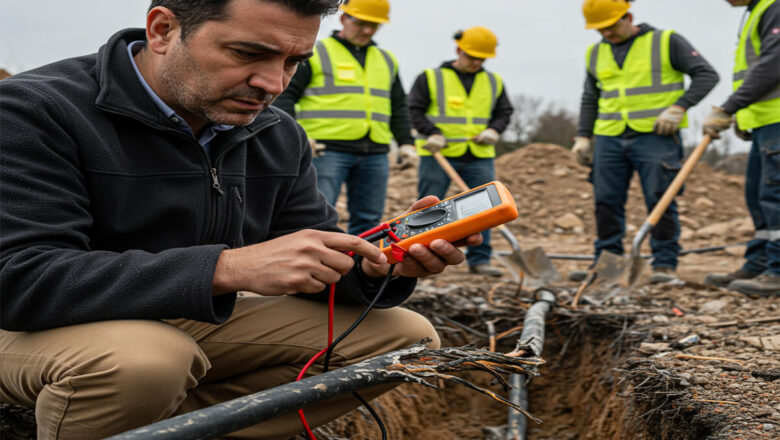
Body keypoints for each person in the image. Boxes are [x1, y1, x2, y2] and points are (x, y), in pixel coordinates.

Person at [0, 1, 483, 438]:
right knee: (146, 361)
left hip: (178, 320)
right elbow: (18, 278)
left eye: (293, 62)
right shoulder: (34, 110)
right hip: (31, 327)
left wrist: (379, 268)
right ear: (164, 30)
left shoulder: (274, 132)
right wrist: (227, 269)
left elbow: (314, 261)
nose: (272, 84)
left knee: (404, 337)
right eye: (248, 53)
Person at [570, 0, 719, 284]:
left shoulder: (665, 41)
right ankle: (608, 264)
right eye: (600, 29)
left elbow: (707, 75)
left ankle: (664, 264)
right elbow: (591, 97)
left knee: (660, 198)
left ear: (628, 16)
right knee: (606, 202)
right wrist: (583, 136)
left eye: (611, 27)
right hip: (609, 136)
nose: (607, 34)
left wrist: (680, 107)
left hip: (655, 137)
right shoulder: (595, 52)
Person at [273, 0, 416, 236]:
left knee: (369, 219)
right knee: (316, 216)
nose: (367, 30)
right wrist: (296, 137)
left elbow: (398, 105)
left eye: (374, 25)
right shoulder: (316, 52)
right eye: (362, 23)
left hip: (375, 152)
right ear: (343, 19)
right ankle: (317, 266)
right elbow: (285, 97)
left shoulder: (386, 60)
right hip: (326, 150)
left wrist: (406, 142)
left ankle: (360, 269)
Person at [407, 26, 514, 278]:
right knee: (430, 207)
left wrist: (494, 131)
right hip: (438, 154)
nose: (477, 62)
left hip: (479, 155)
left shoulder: (493, 81)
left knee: (488, 208)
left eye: (481, 58)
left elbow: (504, 112)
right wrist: (430, 132)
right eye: (472, 56)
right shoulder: (430, 78)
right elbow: (414, 109)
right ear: (458, 50)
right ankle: (418, 256)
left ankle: (480, 259)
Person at [702, 0, 780, 296]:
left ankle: (778, 269)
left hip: (777, 120)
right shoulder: (755, 12)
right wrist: (743, 115)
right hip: (764, 122)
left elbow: (774, 64)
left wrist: (728, 107)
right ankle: (761, 261)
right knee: (759, 196)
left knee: (776, 195)